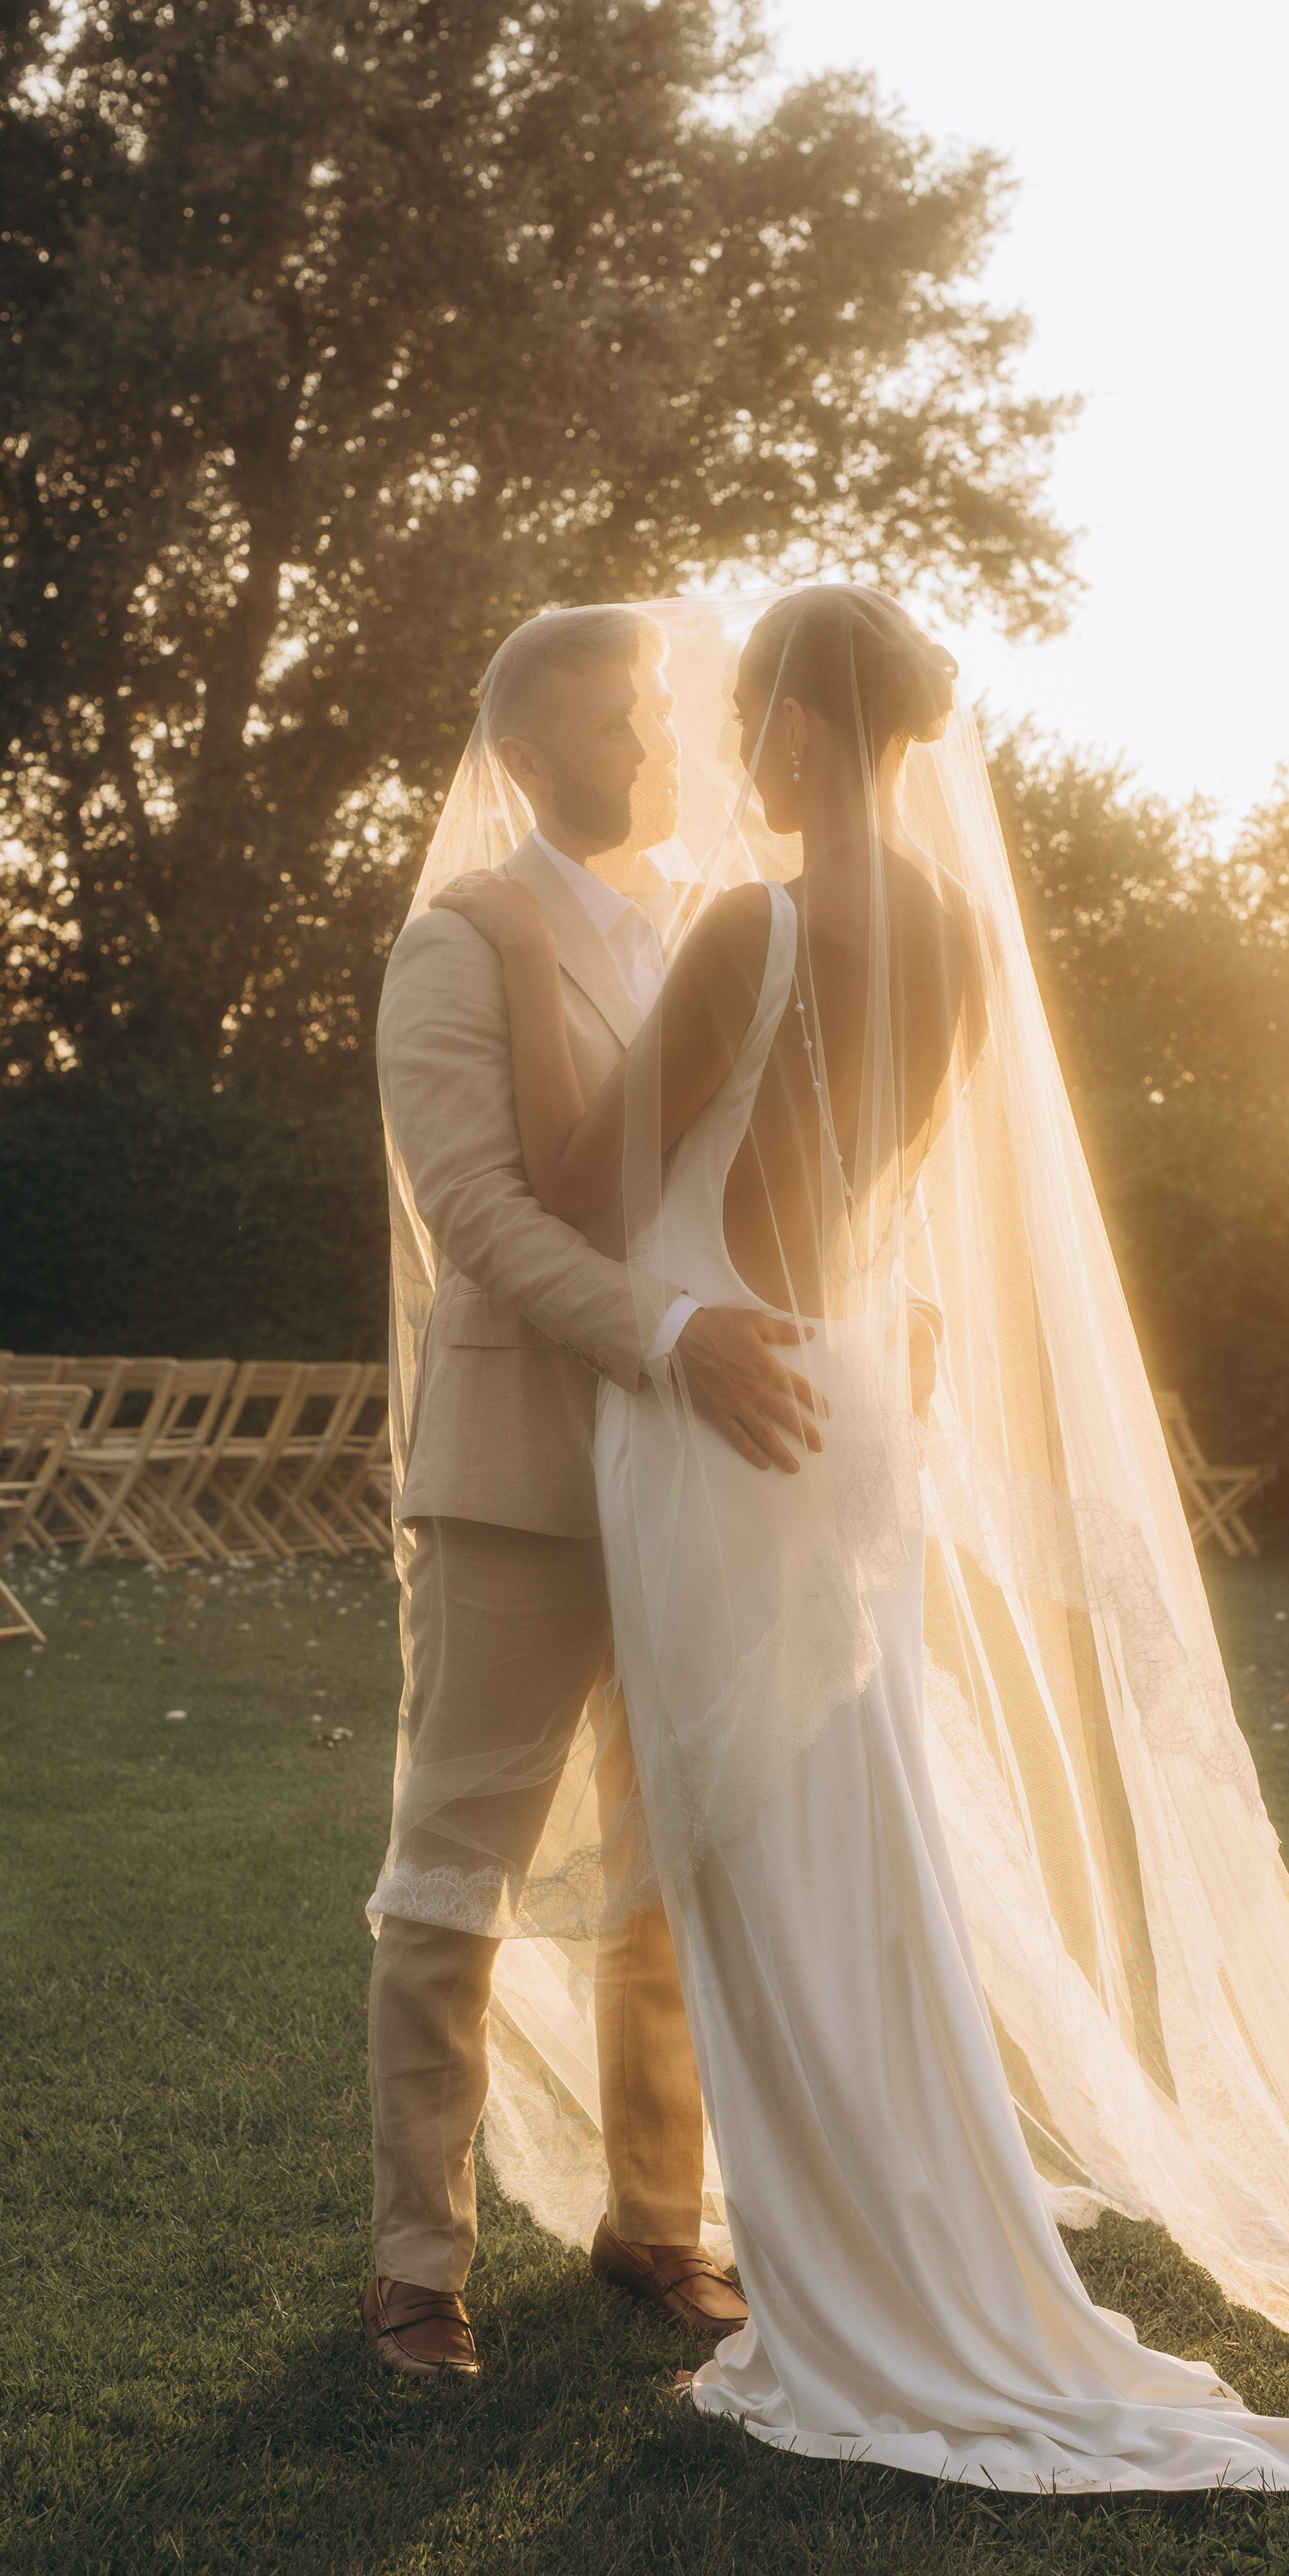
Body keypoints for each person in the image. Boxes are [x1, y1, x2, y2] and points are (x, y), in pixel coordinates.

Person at [432, 584, 1289, 2493]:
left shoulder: (748, 925)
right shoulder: (956, 939)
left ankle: (839, 2296)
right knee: (845, 1843)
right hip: (848, 1389)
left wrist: (547, 995)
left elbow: (572, 1186)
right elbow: (877, 1190)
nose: (712, 750)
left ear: (797, 730)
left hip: (718, 1406)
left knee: (749, 1859)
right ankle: (880, 2238)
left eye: (737, 720)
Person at [365, 605, 828, 2380]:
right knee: (449, 1867)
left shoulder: (679, 938)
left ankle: (654, 2221)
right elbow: (476, 1218)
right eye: (622, 723)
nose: (658, 747)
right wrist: (674, 1336)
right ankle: (416, 2267)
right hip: (516, 1476)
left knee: (670, 1864)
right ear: (534, 751)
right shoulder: (454, 940)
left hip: (685, 1474)